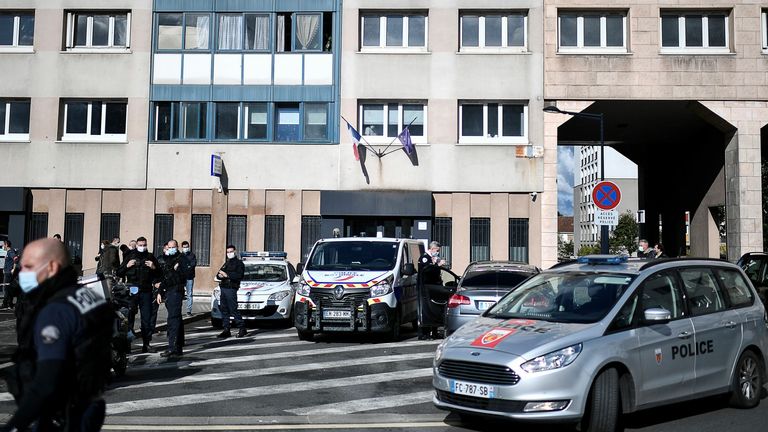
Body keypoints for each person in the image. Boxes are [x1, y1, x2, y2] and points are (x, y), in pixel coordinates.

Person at [1, 238, 112, 432]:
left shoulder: (56, 310)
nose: (22, 273)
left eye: (28, 266)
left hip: (58, 414)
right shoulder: (88, 297)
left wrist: (14, 425)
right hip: (88, 406)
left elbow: (47, 381)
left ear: (52, 267)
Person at [117, 236, 160, 353]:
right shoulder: (130, 256)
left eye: (144, 245)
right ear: (137, 245)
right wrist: (127, 266)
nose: (142, 247)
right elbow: (119, 271)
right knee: (129, 318)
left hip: (146, 291)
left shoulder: (150, 257)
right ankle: (127, 345)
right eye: (140, 245)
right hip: (132, 290)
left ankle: (146, 344)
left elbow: (159, 273)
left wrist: (153, 267)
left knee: (146, 318)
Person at [154, 240, 188, 358]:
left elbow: (179, 277)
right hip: (169, 291)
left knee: (173, 319)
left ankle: (173, 347)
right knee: (176, 319)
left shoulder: (181, 259)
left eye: (173, 247)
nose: (170, 249)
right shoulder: (167, 260)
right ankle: (177, 347)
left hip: (176, 291)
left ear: (177, 247)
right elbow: (163, 277)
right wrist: (160, 292)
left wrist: (175, 270)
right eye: (169, 247)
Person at [416, 241, 453, 340]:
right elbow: (427, 272)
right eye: (437, 250)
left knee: (435, 309)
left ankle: (434, 332)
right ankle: (424, 334)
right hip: (425, 288)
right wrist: (438, 265)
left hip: (433, 287)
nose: (437, 253)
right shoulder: (425, 258)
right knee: (426, 310)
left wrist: (437, 263)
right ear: (432, 249)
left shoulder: (433, 258)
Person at [216, 245, 246, 339]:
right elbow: (219, 273)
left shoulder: (239, 263)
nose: (229, 253)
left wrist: (227, 275)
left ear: (235, 251)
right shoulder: (227, 263)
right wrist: (220, 276)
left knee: (233, 309)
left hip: (231, 288)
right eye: (228, 252)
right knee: (224, 309)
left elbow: (239, 275)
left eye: (231, 251)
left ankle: (241, 328)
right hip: (224, 287)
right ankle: (226, 329)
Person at [181, 241, 197, 316]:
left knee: (189, 294)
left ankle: (188, 310)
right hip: (181, 278)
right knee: (179, 294)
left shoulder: (192, 255)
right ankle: (179, 310)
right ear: (182, 247)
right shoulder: (180, 256)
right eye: (184, 247)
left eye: (186, 247)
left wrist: (186, 267)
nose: (185, 248)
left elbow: (193, 265)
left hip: (189, 277)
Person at [2, 241, 19, 309]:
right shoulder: (10, 252)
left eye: (4, 245)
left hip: (8, 273)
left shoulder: (10, 252)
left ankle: (5, 304)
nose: (3, 246)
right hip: (7, 272)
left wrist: (13, 269)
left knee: (6, 289)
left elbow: (16, 259)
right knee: (9, 288)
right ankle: (10, 303)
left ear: (6, 245)